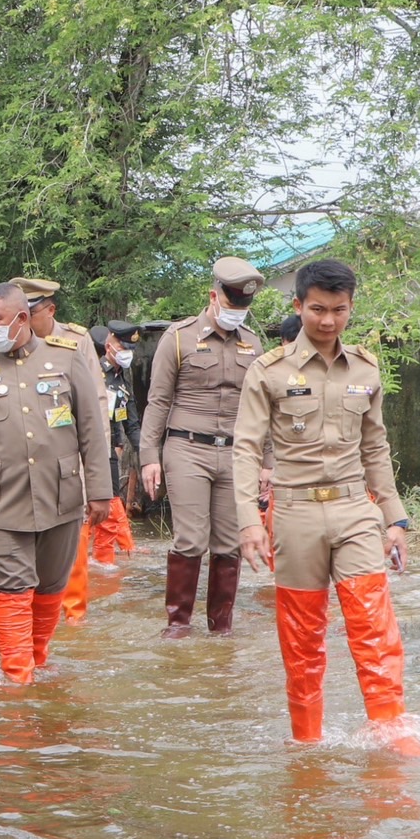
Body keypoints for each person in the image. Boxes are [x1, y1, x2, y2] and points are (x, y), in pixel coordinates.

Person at [234, 260, 420, 755]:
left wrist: (395, 518)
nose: (328, 321)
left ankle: (391, 731)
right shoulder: (268, 371)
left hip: (353, 509)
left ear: (350, 308)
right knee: (302, 635)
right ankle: (306, 740)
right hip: (294, 513)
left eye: (338, 310)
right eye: (317, 309)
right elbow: (246, 449)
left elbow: (375, 449)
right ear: (298, 306)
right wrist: (249, 523)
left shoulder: (365, 367)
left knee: (373, 622)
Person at [0, 283, 112, 683]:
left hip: (59, 494)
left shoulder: (65, 358)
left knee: (50, 585)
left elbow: (91, 430)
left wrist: (100, 491)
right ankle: (18, 680)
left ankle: (38, 660)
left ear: (23, 318)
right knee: (11, 586)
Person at [140, 256, 270, 638]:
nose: (237, 314)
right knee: (191, 538)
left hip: (237, 453)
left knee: (230, 541)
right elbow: (158, 401)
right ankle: (178, 624)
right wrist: (149, 457)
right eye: (231, 305)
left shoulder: (253, 344)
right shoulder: (178, 337)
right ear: (213, 296)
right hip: (187, 449)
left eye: (243, 308)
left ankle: (221, 628)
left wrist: (269, 461)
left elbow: (265, 408)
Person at [10, 275, 108, 624]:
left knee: (73, 543)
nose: (20, 319)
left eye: (29, 312)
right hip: (20, 462)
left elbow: (95, 406)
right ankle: (28, 618)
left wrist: (94, 468)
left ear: (49, 310)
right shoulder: (8, 339)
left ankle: (73, 617)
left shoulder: (75, 342)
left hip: (68, 458)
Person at [90, 321, 142, 567]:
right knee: (106, 502)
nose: (126, 352)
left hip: (110, 447)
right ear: (109, 343)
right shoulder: (93, 373)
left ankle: (105, 558)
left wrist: (147, 454)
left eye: (130, 348)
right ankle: (103, 558)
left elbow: (130, 421)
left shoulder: (123, 379)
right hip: (89, 448)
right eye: (122, 346)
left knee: (110, 501)